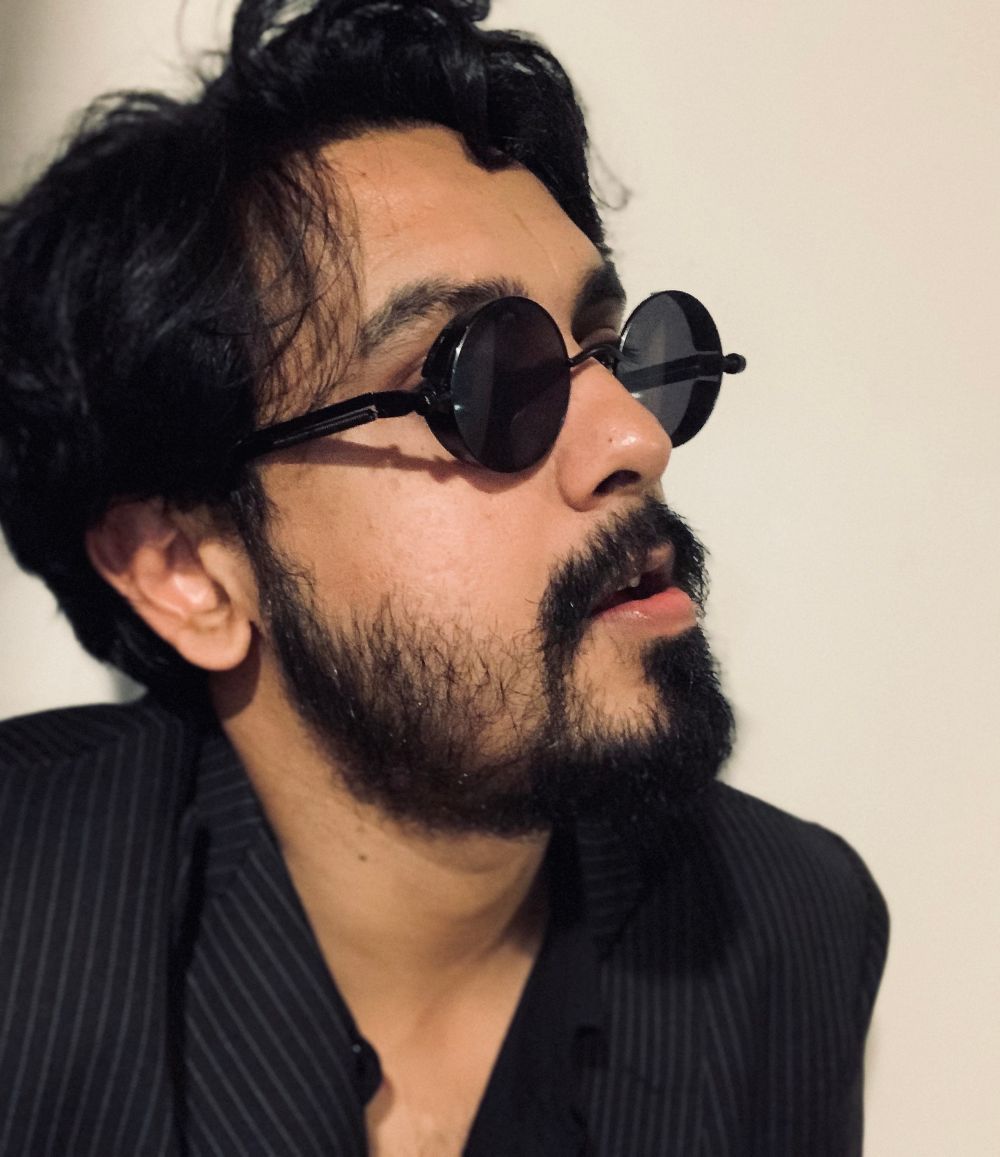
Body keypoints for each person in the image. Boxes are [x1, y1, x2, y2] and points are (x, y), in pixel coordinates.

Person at [0, 1, 887, 1153]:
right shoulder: (27, 933)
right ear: (185, 569)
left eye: (609, 353)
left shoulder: (789, 923)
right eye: (484, 383)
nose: (633, 439)